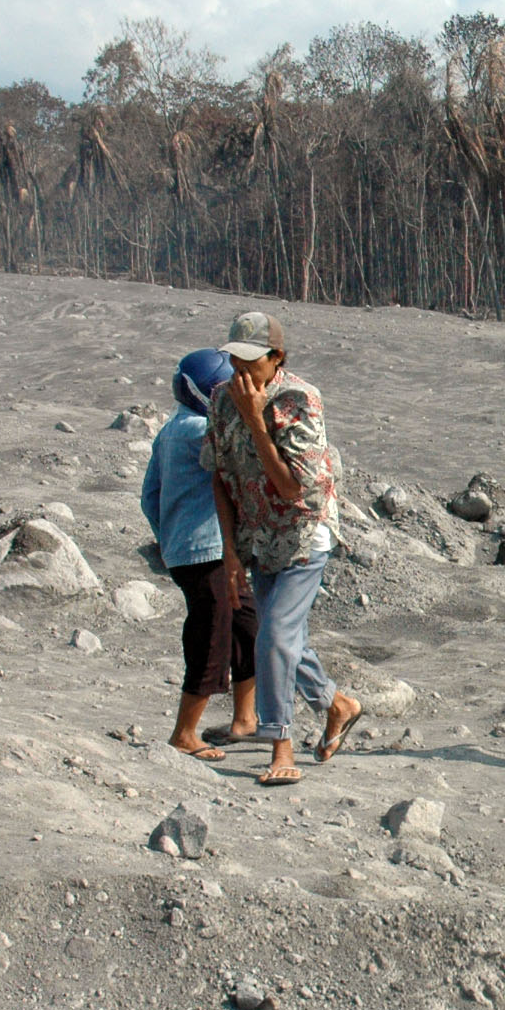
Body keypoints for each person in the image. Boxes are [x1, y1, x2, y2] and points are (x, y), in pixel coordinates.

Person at [202, 311, 359, 787]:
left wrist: (256, 421)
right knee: (285, 639)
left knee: (271, 637)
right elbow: (220, 476)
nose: (241, 373)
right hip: (258, 537)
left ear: (277, 358)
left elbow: (294, 488)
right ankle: (338, 705)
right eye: (233, 361)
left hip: (303, 533)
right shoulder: (220, 400)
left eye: (252, 362)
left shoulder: (298, 399)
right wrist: (229, 552)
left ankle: (281, 745)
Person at [143, 346, 259, 761]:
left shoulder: (169, 429)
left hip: (191, 551)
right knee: (211, 637)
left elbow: (149, 496)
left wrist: (166, 536)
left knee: (248, 623)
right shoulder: (199, 430)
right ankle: (184, 733)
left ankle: (245, 719)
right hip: (207, 554)